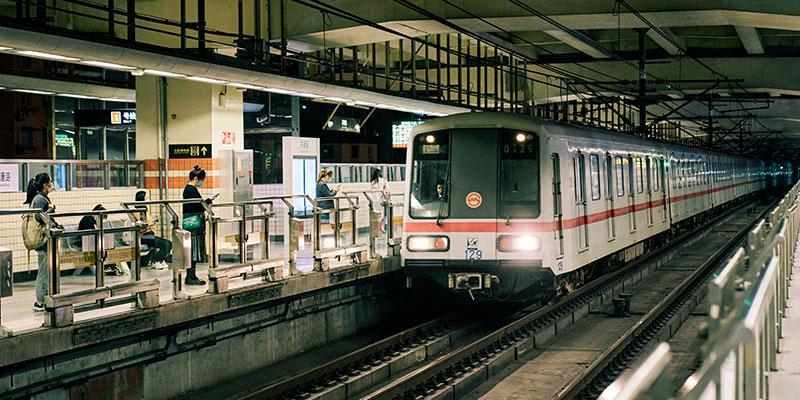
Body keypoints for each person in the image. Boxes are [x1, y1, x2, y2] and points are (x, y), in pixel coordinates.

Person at [24, 173, 55, 312]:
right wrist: (51, 208)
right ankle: (39, 301)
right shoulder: (39, 199)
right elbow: (39, 217)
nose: (51, 184)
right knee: (43, 271)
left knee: (47, 270)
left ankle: (46, 297)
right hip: (42, 241)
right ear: (44, 184)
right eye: (50, 181)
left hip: (45, 240)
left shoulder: (41, 198)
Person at [182, 165, 218, 285]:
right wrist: (208, 200)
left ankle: (191, 276)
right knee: (194, 250)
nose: (202, 183)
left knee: (193, 250)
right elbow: (197, 206)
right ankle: (190, 277)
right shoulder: (191, 190)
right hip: (194, 225)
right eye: (201, 180)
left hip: (193, 223)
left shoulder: (189, 189)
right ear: (196, 178)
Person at [78, 205, 124, 276]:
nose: (102, 219)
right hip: (84, 242)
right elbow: (86, 235)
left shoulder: (93, 220)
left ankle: (110, 266)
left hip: (90, 241)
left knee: (104, 246)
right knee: (101, 248)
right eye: (102, 217)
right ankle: (109, 267)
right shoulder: (87, 220)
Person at [135, 191, 172, 270]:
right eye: (146, 198)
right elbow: (139, 229)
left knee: (168, 243)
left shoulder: (145, 211)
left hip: (149, 234)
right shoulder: (138, 213)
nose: (148, 199)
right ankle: (156, 260)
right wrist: (149, 225)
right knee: (166, 244)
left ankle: (159, 260)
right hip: (143, 236)